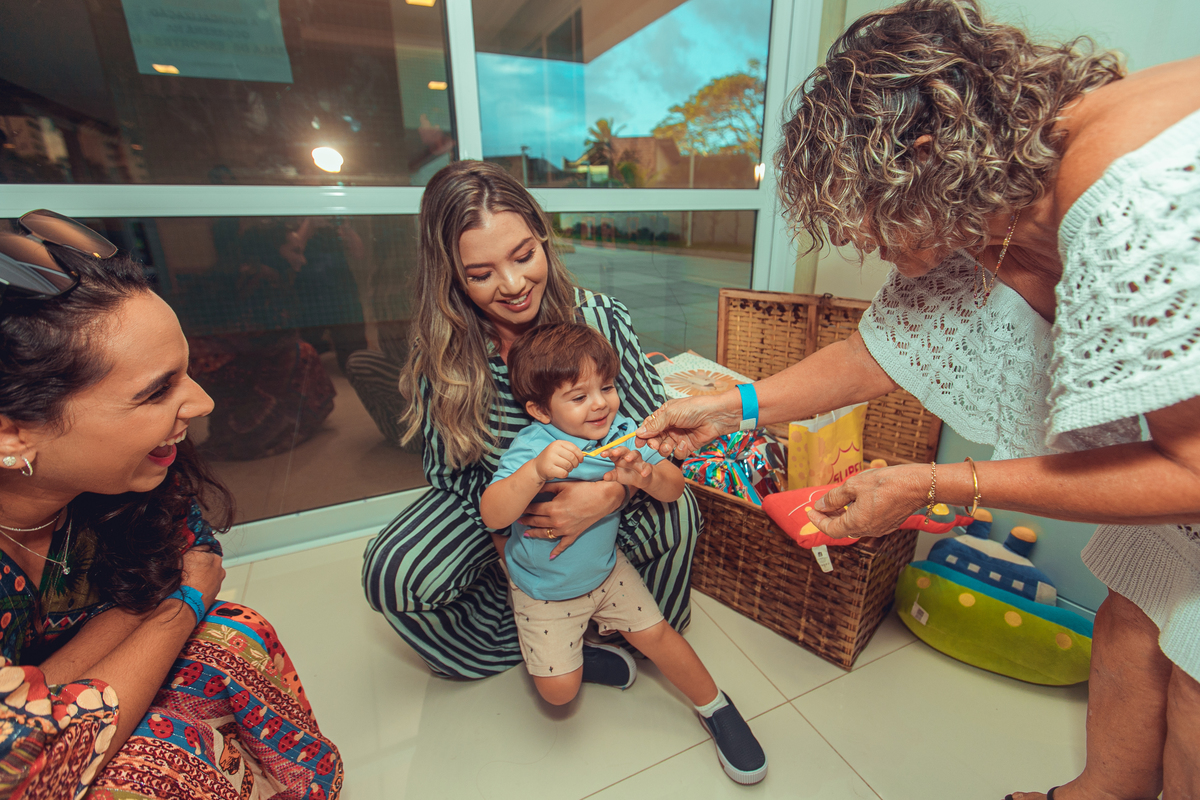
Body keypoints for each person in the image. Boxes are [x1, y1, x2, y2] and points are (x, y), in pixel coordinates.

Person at [636, 2, 1200, 798]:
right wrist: (730, 407)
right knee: (1135, 619)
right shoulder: (982, 209)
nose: (863, 244)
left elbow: (1193, 473)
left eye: (859, 215)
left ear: (922, 156)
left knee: (1193, 691)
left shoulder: (1131, 195)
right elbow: (877, 351)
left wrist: (935, 483)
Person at [0, 210, 343, 799]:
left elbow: (198, 554)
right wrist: (171, 605)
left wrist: (42, 691)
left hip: (74, 702)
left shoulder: (132, 488)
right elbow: (20, 768)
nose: (203, 402)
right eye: (157, 390)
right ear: (13, 435)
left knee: (234, 638)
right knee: (155, 767)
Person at [361, 160, 702, 682]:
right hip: (497, 506)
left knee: (680, 513)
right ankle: (539, 642)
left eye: (524, 256)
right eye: (480, 274)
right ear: (451, 277)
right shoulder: (441, 350)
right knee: (394, 571)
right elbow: (448, 475)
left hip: (608, 489)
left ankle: (618, 631)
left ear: (543, 238)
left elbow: (653, 434)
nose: (514, 284)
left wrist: (610, 495)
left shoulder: (600, 317)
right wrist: (510, 531)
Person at [481, 322, 766, 785]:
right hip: (543, 590)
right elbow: (492, 515)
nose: (601, 403)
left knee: (660, 636)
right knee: (558, 696)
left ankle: (716, 707)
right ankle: (581, 657)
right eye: (578, 396)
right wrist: (533, 473)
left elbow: (674, 490)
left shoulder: (627, 434)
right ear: (539, 409)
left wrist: (645, 477)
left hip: (610, 573)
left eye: (607, 388)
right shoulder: (532, 447)